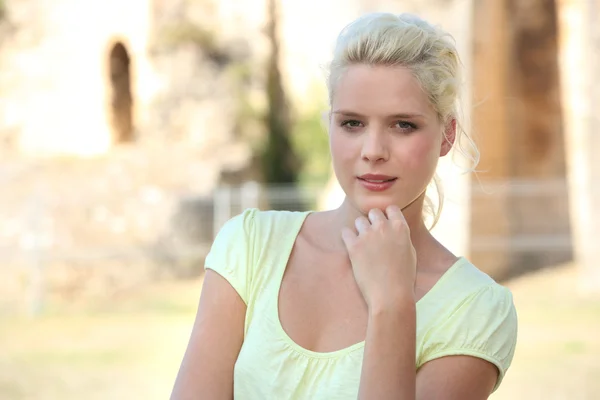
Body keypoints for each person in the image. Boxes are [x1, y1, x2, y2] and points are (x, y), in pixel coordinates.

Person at [171, 12, 518, 400]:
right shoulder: (250, 245)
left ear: (446, 135)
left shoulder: (475, 309)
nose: (373, 151)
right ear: (330, 125)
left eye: (403, 124)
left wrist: (392, 303)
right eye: (352, 123)